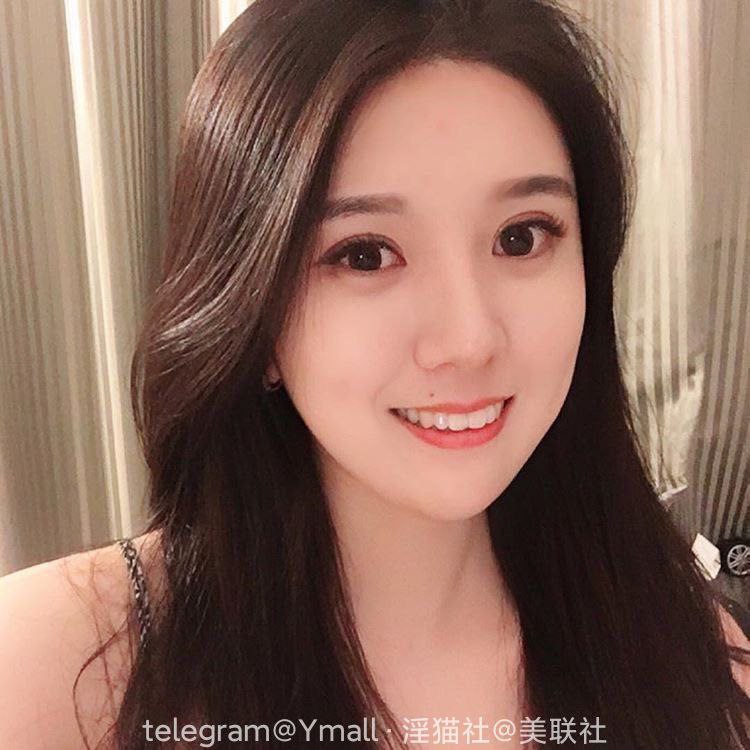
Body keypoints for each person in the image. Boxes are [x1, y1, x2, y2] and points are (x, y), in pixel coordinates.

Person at [1, 0, 749, 748]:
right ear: (252, 309)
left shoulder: (693, 658)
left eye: (521, 238)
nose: (469, 340)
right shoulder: (50, 673)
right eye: (365, 255)